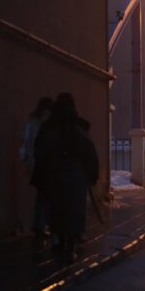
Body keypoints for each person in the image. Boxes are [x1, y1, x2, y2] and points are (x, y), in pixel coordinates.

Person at [31, 93, 98, 263]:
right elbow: (90, 154)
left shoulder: (49, 130)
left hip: (55, 176)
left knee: (57, 211)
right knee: (74, 212)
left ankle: (59, 243)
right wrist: (91, 175)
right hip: (75, 176)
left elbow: (41, 153)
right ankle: (70, 248)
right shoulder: (79, 129)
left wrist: (43, 174)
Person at [20, 97, 53, 238]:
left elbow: (25, 141)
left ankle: (39, 225)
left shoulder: (31, 122)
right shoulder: (49, 123)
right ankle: (43, 224)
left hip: (35, 163)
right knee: (48, 196)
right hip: (46, 164)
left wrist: (26, 160)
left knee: (41, 195)